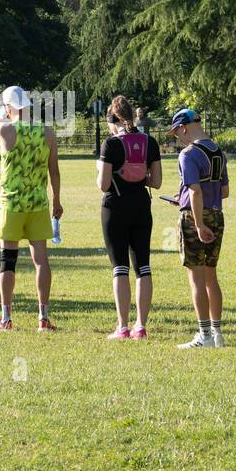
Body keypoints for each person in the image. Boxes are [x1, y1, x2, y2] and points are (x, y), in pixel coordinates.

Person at [0, 86, 62, 332]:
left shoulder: (6, 129)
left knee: (8, 260)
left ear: (7, 107)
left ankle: (6, 318)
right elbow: (54, 171)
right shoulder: (46, 131)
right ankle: (43, 318)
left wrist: (1, 118)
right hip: (38, 202)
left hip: (11, 203)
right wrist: (56, 201)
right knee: (41, 261)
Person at [97, 96, 162, 339]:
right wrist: (139, 176)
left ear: (112, 120)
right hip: (142, 207)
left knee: (120, 267)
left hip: (115, 207)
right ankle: (141, 326)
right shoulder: (150, 142)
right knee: (143, 265)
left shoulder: (110, 145)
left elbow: (104, 185)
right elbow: (156, 182)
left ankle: (122, 326)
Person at [169, 109, 229, 349]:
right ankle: (217, 334)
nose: (178, 139)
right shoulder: (218, 152)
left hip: (195, 218)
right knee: (211, 276)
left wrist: (199, 222)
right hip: (217, 214)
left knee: (196, 278)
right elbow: (223, 191)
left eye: (176, 133)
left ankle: (203, 335)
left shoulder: (188, 154)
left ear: (183, 127)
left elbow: (194, 190)